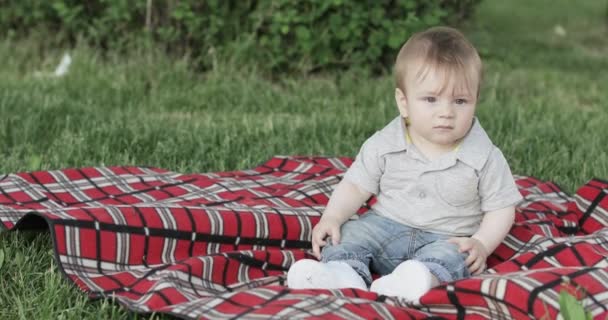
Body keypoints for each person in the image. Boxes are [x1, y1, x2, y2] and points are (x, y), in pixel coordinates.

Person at [286, 26, 523, 302]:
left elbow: (502, 209)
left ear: (475, 101)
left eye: (460, 101)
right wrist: (332, 217)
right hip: (384, 224)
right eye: (431, 99)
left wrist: (481, 242)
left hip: (445, 237)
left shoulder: (484, 156)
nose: (446, 112)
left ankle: (417, 279)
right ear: (404, 103)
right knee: (349, 233)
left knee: (458, 256)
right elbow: (355, 185)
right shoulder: (385, 143)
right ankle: (342, 273)